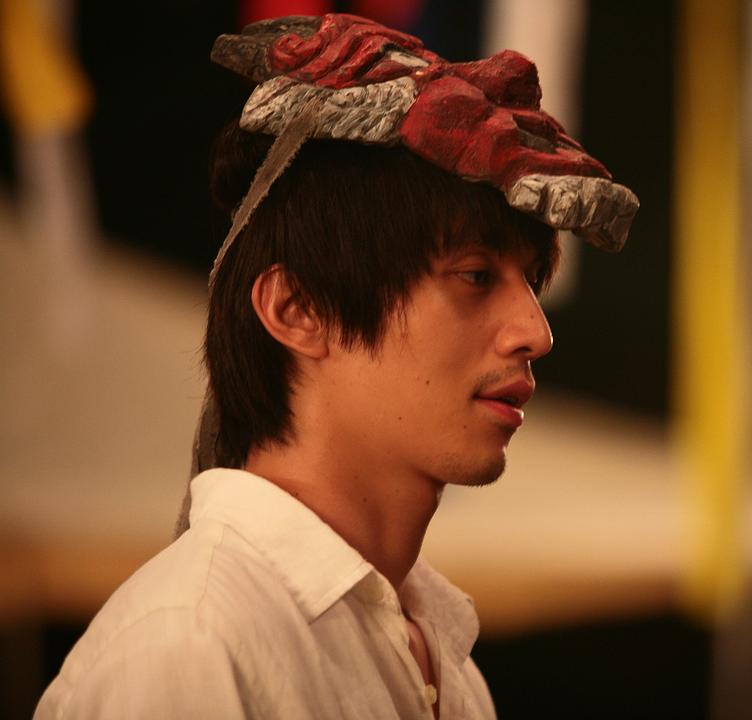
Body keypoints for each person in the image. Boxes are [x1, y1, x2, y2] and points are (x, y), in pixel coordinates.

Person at [36, 14, 636, 719]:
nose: (535, 334)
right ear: (299, 310)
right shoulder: (189, 645)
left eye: (531, 282)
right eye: (475, 276)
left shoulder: (445, 662)